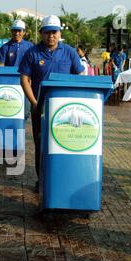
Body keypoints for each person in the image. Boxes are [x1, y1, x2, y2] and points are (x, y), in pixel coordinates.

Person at [18, 15, 84, 191]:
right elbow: (24, 79)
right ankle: (43, 180)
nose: (51, 36)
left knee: (65, 144)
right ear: (41, 33)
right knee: (41, 145)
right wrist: (34, 103)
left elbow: (80, 76)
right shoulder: (32, 53)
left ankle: (63, 179)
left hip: (65, 111)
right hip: (40, 109)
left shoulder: (69, 52)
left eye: (54, 32)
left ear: (59, 33)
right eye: (47, 32)